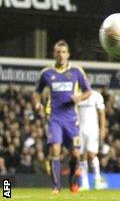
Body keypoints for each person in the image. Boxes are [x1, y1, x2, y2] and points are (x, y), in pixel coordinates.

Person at [32, 40, 92, 194]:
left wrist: (79, 98)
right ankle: (56, 186)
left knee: (75, 154)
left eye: (63, 52)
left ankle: (72, 180)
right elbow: (37, 92)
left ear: (68, 54)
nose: (61, 55)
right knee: (55, 148)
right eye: (58, 52)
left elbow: (88, 91)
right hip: (55, 118)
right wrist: (37, 103)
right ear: (54, 54)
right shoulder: (47, 73)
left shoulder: (77, 72)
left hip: (72, 119)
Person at [77, 89, 106, 190]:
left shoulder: (96, 95)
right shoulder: (77, 95)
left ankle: (97, 179)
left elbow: (102, 113)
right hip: (80, 129)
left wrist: (102, 128)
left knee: (91, 154)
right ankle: (84, 183)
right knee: (81, 156)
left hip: (92, 129)